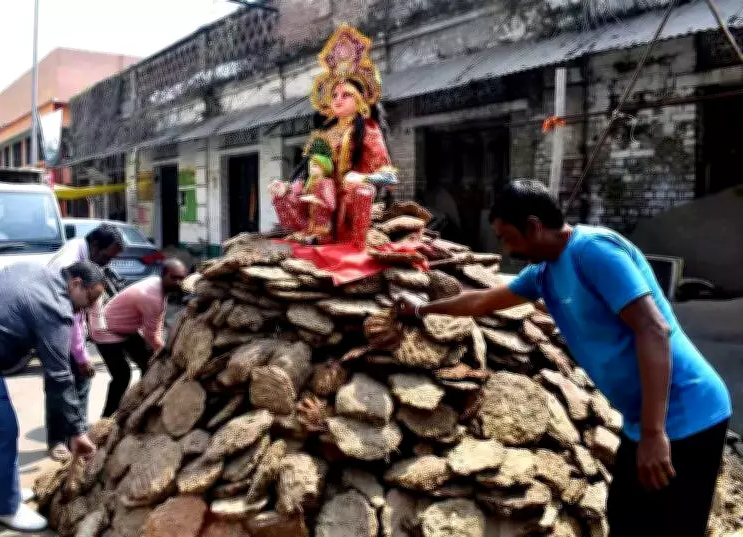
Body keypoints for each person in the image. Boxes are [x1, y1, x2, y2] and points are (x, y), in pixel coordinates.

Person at [396, 179, 732, 537]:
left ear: (534, 226)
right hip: (643, 422)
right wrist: (422, 309)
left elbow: (653, 330)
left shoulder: (594, 251)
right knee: (627, 521)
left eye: (507, 236)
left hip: (688, 414)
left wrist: (653, 433)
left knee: (672, 528)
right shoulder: (544, 273)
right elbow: (480, 301)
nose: (504, 248)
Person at [0, 261, 103, 532]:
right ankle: (7, 507)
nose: (86, 308)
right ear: (75, 284)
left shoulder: (33, 270)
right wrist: (77, 430)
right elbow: (59, 376)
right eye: (89, 299)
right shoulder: (55, 307)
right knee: (1, 429)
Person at [270, 24, 398, 249]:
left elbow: (389, 178)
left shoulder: (368, 130)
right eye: (334, 94)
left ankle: (350, 246)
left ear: (360, 102)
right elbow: (308, 171)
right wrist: (289, 187)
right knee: (297, 190)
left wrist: (363, 178)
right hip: (318, 201)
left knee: (352, 189)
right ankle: (314, 234)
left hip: (350, 203)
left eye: (346, 95)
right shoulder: (324, 133)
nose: (337, 100)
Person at [45, 222, 124, 461]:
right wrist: (81, 356)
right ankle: (60, 440)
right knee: (63, 382)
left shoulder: (81, 253)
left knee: (77, 381)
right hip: (54, 325)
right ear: (95, 244)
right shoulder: (69, 265)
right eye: (106, 256)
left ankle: (74, 434)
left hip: (63, 324)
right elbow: (74, 316)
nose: (106, 263)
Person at [88, 258, 187, 417]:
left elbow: (157, 320)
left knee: (149, 363)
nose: (178, 282)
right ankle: (108, 417)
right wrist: (169, 357)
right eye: (174, 277)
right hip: (105, 330)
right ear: (163, 275)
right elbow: (151, 335)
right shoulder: (151, 296)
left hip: (126, 329)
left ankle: (141, 406)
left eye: (182, 278)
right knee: (122, 374)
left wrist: (159, 351)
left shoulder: (158, 286)